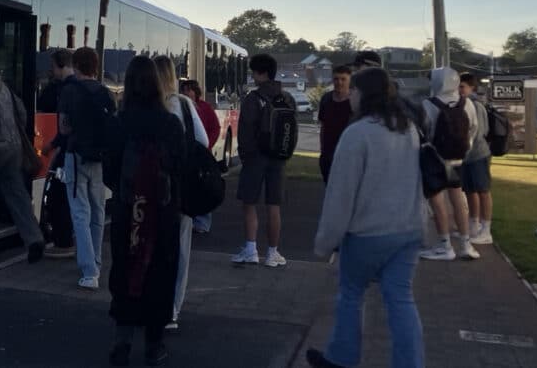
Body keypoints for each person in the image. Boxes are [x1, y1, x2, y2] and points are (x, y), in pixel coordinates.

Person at [306, 68, 425, 368]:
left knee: (351, 294)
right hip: (409, 229)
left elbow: (341, 194)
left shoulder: (357, 134)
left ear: (363, 94)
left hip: (367, 233)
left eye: (354, 90)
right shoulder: (408, 128)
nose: (350, 96)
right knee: (401, 300)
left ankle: (342, 357)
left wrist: (325, 241)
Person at [107, 56, 187, 367]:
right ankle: (154, 345)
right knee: (160, 275)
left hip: (128, 212)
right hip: (162, 214)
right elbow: (180, 168)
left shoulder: (120, 122)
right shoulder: (170, 124)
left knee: (126, 271)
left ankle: (122, 342)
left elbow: (110, 171)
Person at [153, 56, 208, 332]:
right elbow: (203, 140)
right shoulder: (185, 104)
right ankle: (172, 308)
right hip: (181, 186)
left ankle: (151, 302)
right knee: (181, 248)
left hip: (152, 185)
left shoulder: (147, 104)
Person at [59, 47, 116, 290]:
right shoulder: (106, 92)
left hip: (76, 155)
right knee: (98, 212)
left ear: (76, 66)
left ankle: (89, 270)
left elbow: (63, 128)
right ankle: (96, 264)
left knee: (80, 214)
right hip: (100, 158)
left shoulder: (69, 91)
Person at [233, 53, 294, 267]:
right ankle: (272, 253)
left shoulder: (253, 98)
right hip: (278, 157)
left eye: (254, 72)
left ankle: (250, 249)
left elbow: (245, 131)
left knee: (249, 203)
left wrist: (245, 155)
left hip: (255, 157)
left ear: (262, 73)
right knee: (273, 205)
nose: (252, 75)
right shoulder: (287, 98)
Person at [419, 67, 481, 261]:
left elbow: (424, 130)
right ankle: (465, 243)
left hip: (434, 158)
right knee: (458, 200)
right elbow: (473, 128)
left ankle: (444, 245)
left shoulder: (428, 104)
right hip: (458, 158)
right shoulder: (467, 103)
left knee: (438, 202)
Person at [0, 73, 46, 264]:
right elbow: (21, 113)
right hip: (14, 146)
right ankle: (34, 238)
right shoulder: (7, 90)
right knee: (17, 193)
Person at [37, 48, 76, 258]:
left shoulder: (65, 90)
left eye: (52, 66)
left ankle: (64, 242)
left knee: (57, 197)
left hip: (67, 151)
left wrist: (51, 145)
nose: (50, 71)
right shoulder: (79, 87)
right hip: (77, 151)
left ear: (61, 66)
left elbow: (65, 128)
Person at [458, 73, 494, 245]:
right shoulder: (461, 103)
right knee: (470, 191)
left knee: (483, 191)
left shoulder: (475, 105)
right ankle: (473, 225)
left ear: (471, 87)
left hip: (478, 154)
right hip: (466, 156)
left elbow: (479, 132)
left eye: (462, 86)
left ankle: (486, 230)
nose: (459, 90)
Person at [181, 80, 220, 234]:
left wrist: (208, 145)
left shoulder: (205, 107)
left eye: (189, 90)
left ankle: (202, 223)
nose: (186, 93)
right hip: (186, 154)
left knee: (204, 186)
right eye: (184, 90)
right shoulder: (180, 107)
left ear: (196, 92)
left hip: (201, 154)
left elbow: (215, 127)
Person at [318, 65, 353, 184]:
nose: (339, 82)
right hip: (328, 153)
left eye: (343, 79)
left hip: (348, 153)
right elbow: (323, 125)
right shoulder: (326, 99)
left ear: (349, 80)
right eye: (336, 79)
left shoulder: (355, 101)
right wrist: (322, 149)